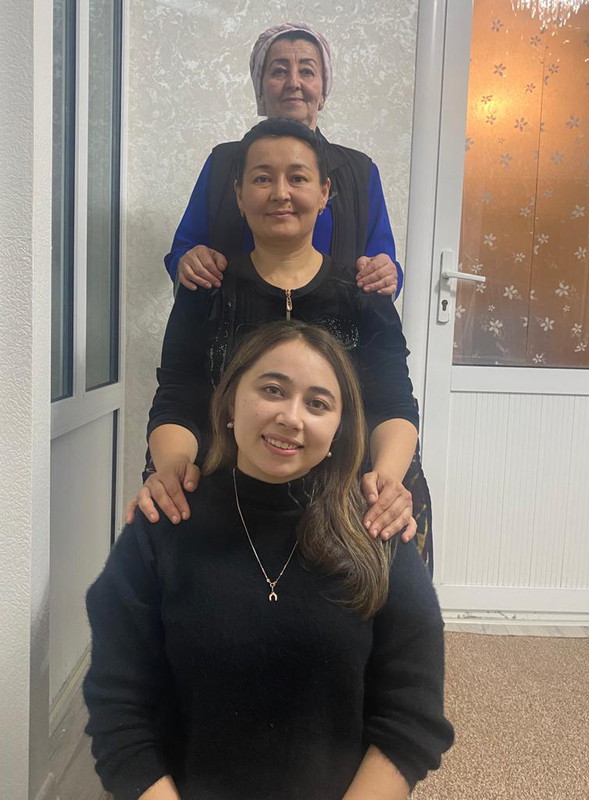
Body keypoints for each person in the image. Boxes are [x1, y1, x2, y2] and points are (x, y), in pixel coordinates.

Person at [84, 320, 454, 800]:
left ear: (339, 428)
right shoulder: (164, 524)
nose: (291, 417)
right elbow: (117, 709)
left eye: (318, 403)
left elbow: (412, 719)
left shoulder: (377, 531)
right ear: (230, 403)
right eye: (273, 390)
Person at [131, 118, 421, 549]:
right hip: (222, 493)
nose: (280, 193)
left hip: (343, 501)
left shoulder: (363, 294)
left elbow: (393, 402)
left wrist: (386, 481)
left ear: (323, 194)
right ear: (239, 195)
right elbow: (178, 394)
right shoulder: (207, 291)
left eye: (297, 178)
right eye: (262, 178)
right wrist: (173, 469)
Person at [167, 22, 401, 298]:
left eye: (307, 71)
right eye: (279, 71)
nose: (293, 83)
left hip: (334, 324)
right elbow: (183, 251)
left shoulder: (360, 171)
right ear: (260, 90)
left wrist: (387, 273)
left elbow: (383, 264)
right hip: (235, 321)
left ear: (323, 92)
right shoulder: (222, 163)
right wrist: (189, 261)